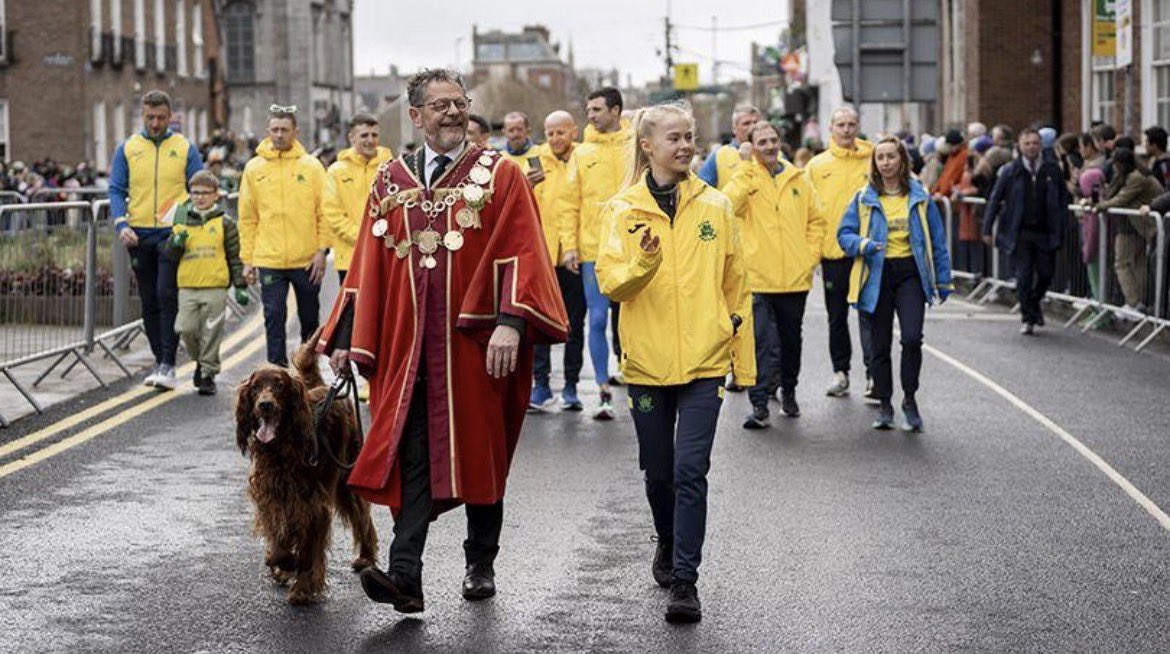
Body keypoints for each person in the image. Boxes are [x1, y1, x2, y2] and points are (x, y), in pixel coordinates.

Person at [319, 69, 567, 614]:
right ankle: (406, 574)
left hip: (474, 344)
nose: (453, 112)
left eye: (459, 102)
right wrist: (346, 335)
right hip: (408, 348)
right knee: (411, 452)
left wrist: (511, 321)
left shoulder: (499, 174)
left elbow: (524, 248)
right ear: (415, 116)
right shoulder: (390, 181)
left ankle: (480, 561)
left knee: (482, 450)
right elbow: (367, 261)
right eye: (440, 105)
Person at [595, 103, 753, 624]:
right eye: (674, 138)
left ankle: (686, 580)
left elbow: (737, 283)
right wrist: (644, 261)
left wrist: (741, 357)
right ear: (647, 146)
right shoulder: (622, 209)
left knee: (690, 470)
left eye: (690, 136)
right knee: (659, 473)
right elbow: (611, 284)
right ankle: (666, 539)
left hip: (705, 361)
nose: (685, 146)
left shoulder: (716, 205)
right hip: (647, 364)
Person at [837, 136, 953, 431]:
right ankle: (885, 404)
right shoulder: (863, 197)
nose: (886, 162)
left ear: (902, 160)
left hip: (910, 274)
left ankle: (909, 400)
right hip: (877, 274)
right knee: (879, 344)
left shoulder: (920, 196)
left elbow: (937, 241)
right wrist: (862, 244)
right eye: (880, 157)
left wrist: (943, 280)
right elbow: (843, 234)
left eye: (891, 156)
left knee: (912, 338)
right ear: (874, 163)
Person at [722, 122, 824, 429]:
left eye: (773, 140)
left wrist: (808, 258)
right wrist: (744, 168)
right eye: (762, 142)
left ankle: (788, 390)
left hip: (794, 279)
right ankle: (759, 403)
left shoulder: (799, 178)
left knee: (791, 342)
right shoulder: (746, 177)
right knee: (761, 343)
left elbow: (816, 222)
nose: (769, 146)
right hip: (757, 279)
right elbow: (729, 207)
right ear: (752, 147)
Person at [109, 90, 204, 390]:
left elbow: (199, 188)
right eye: (150, 117)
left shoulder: (184, 147)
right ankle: (160, 360)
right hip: (137, 234)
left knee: (166, 294)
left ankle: (168, 363)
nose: (155, 123)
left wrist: (183, 224)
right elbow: (116, 189)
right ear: (142, 115)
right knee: (148, 299)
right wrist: (121, 223)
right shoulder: (128, 148)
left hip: (170, 234)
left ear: (170, 116)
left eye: (161, 118)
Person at [557, 86, 634, 419]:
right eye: (588, 110)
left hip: (633, 249)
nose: (590, 115)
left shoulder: (636, 146)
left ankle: (637, 380)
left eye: (597, 109)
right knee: (598, 319)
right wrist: (570, 247)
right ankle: (603, 389)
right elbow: (568, 204)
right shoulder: (582, 153)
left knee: (633, 321)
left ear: (616, 111)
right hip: (593, 251)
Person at [238, 105, 329, 366]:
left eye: (284, 130)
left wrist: (322, 250)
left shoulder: (311, 167)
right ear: (268, 131)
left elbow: (324, 211)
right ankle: (277, 374)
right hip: (270, 259)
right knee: (273, 317)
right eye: (275, 130)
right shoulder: (254, 168)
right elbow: (247, 218)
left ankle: (308, 373)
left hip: (307, 260)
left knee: (310, 320)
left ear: (295, 131)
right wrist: (247, 260)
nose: (279, 135)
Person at [803, 106, 875, 400]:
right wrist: (813, 252)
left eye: (851, 124)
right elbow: (807, 211)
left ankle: (873, 375)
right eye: (841, 124)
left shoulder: (873, 160)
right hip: (833, 254)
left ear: (858, 127)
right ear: (831, 129)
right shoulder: (817, 166)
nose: (846, 129)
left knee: (870, 315)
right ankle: (841, 372)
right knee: (837, 317)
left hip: (867, 252)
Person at [163, 171, 248, 396]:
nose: (200, 197)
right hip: (187, 285)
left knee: (212, 332)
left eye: (205, 193)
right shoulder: (181, 219)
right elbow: (169, 255)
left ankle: (208, 374)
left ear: (216, 195)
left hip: (215, 286)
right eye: (195, 193)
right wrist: (175, 243)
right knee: (185, 329)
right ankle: (200, 362)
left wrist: (240, 285)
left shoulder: (225, 222)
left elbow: (234, 256)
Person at [981, 128, 1071, 334]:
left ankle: (1033, 302)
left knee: (1046, 274)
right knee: (1024, 276)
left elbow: (1062, 198)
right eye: (1027, 143)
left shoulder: (1051, 170)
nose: (1031, 147)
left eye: (1035, 143)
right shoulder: (1010, 171)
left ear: (1041, 146)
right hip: (1020, 232)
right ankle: (1028, 316)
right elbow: (995, 199)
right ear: (1020, 146)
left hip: (1045, 231)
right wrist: (987, 228)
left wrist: (1062, 222)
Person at [529, 110, 587, 412]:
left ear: (573, 131)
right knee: (541, 323)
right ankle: (541, 385)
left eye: (560, 132)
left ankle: (571, 386)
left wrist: (574, 247)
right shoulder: (535, 161)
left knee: (575, 325)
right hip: (543, 256)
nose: (555, 139)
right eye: (550, 133)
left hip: (575, 256)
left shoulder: (584, 159)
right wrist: (527, 185)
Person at [324, 112, 395, 285]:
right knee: (353, 303)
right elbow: (332, 213)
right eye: (364, 135)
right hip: (350, 258)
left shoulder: (392, 169)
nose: (370, 140)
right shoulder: (336, 171)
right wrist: (362, 237)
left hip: (385, 254)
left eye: (374, 135)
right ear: (351, 137)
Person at [1091, 148, 1162, 313]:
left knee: (1122, 264)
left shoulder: (1136, 178)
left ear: (1121, 164)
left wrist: (1099, 206)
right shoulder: (1133, 175)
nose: (1113, 167)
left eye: (1115, 164)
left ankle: (1134, 302)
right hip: (1140, 226)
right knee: (1138, 264)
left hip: (1141, 225)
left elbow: (1121, 199)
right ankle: (1140, 302)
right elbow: (1112, 195)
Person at [696, 104, 761, 189]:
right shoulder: (719, 156)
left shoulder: (770, 153)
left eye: (756, 122)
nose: (753, 127)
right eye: (746, 123)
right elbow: (701, 189)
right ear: (734, 129)